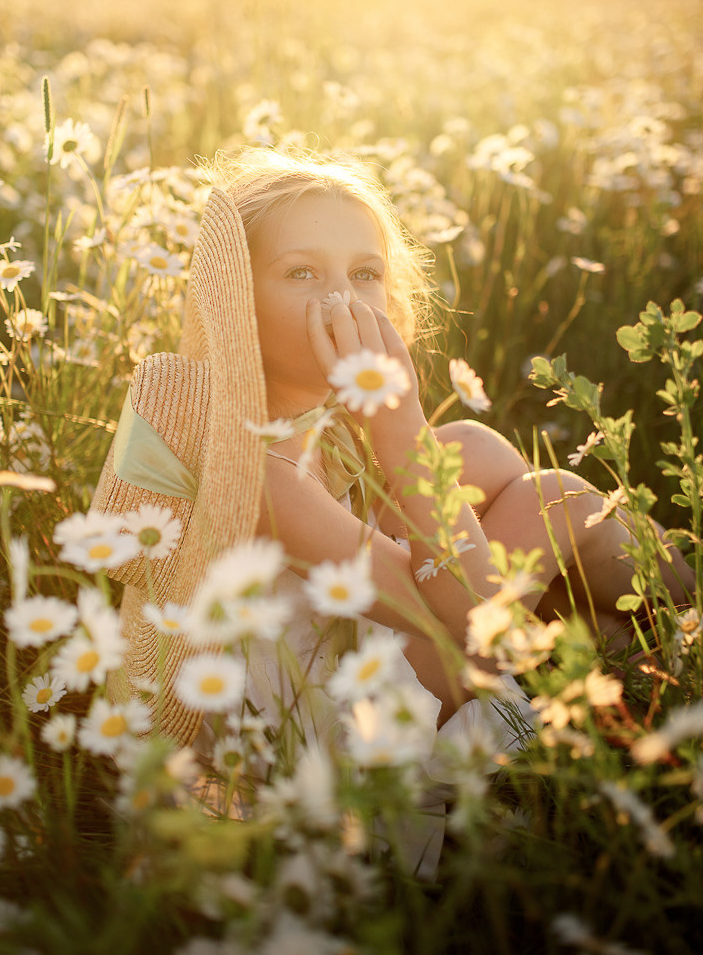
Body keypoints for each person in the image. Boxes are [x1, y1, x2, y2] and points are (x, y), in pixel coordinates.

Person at [92, 147, 695, 751]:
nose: (342, 300)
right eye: (302, 273)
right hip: (330, 729)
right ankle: (681, 618)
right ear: (238, 305)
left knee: (470, 448)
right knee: (554, 500)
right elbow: (469, 620)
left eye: (364, 274)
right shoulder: (261, 474)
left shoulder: (298, 431)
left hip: (346, 644)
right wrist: (398, 423)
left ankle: (610, 633)